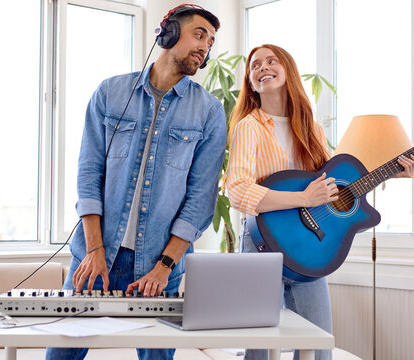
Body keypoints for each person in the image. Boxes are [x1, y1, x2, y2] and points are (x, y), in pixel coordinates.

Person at [45, 4, 225, 360]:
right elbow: (88, 174)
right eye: (200, 34)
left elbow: (200, 199)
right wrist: (95, 251)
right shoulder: (110, 93)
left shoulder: (209, 111)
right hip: (94, 256)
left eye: (212, 41)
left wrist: (164, 267)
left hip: (160, 267)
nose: (206, 47)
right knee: (60, 357)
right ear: (169, 33)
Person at [225, 43, 414, 360]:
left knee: (319, 348)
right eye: (254, 65)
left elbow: (338, 184)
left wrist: (393, 172)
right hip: (261, 244)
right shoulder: (249, 126)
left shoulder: (310, 128)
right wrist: (303, 197)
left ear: (288, 70)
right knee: (259, 350)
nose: (262, 68)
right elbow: (238, 190)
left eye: (271, 61)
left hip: (311, 249)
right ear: (250, 81)